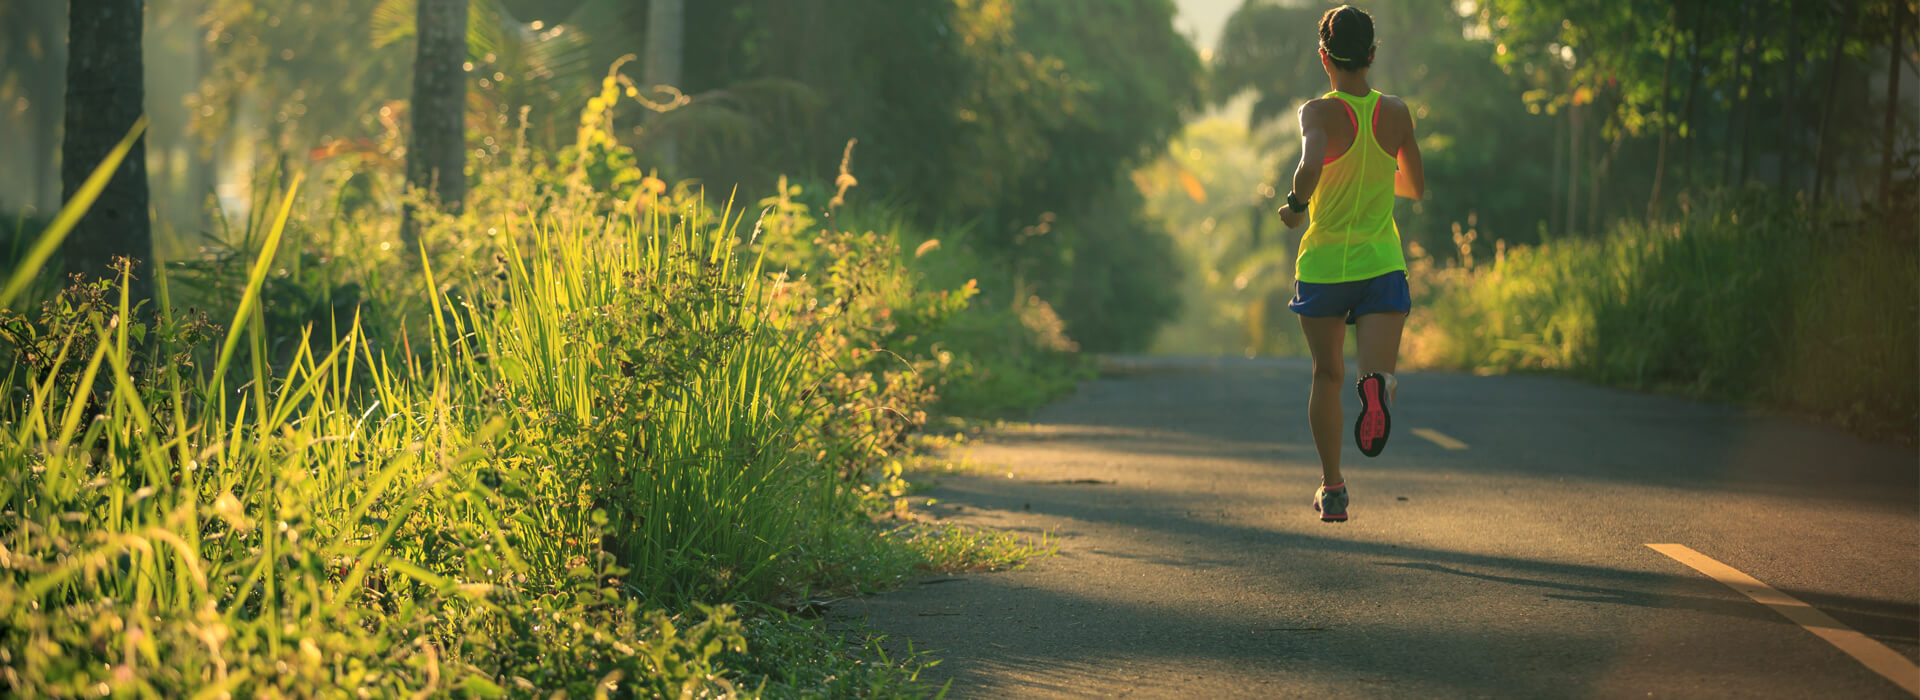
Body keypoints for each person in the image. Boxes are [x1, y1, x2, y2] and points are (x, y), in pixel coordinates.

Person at [1276, 5, 1424, 523]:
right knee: (1374, 371)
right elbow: (1415, 186)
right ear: (1371, 55)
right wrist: (1379, 175)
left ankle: (1333, 488)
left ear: (1324, 57)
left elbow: (1309, 165)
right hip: (1381, 265)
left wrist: (1295, 208)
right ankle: (1378, 387)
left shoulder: (1317, 112)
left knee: (1327, 374)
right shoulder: (1397, 113)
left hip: (1324, 270)